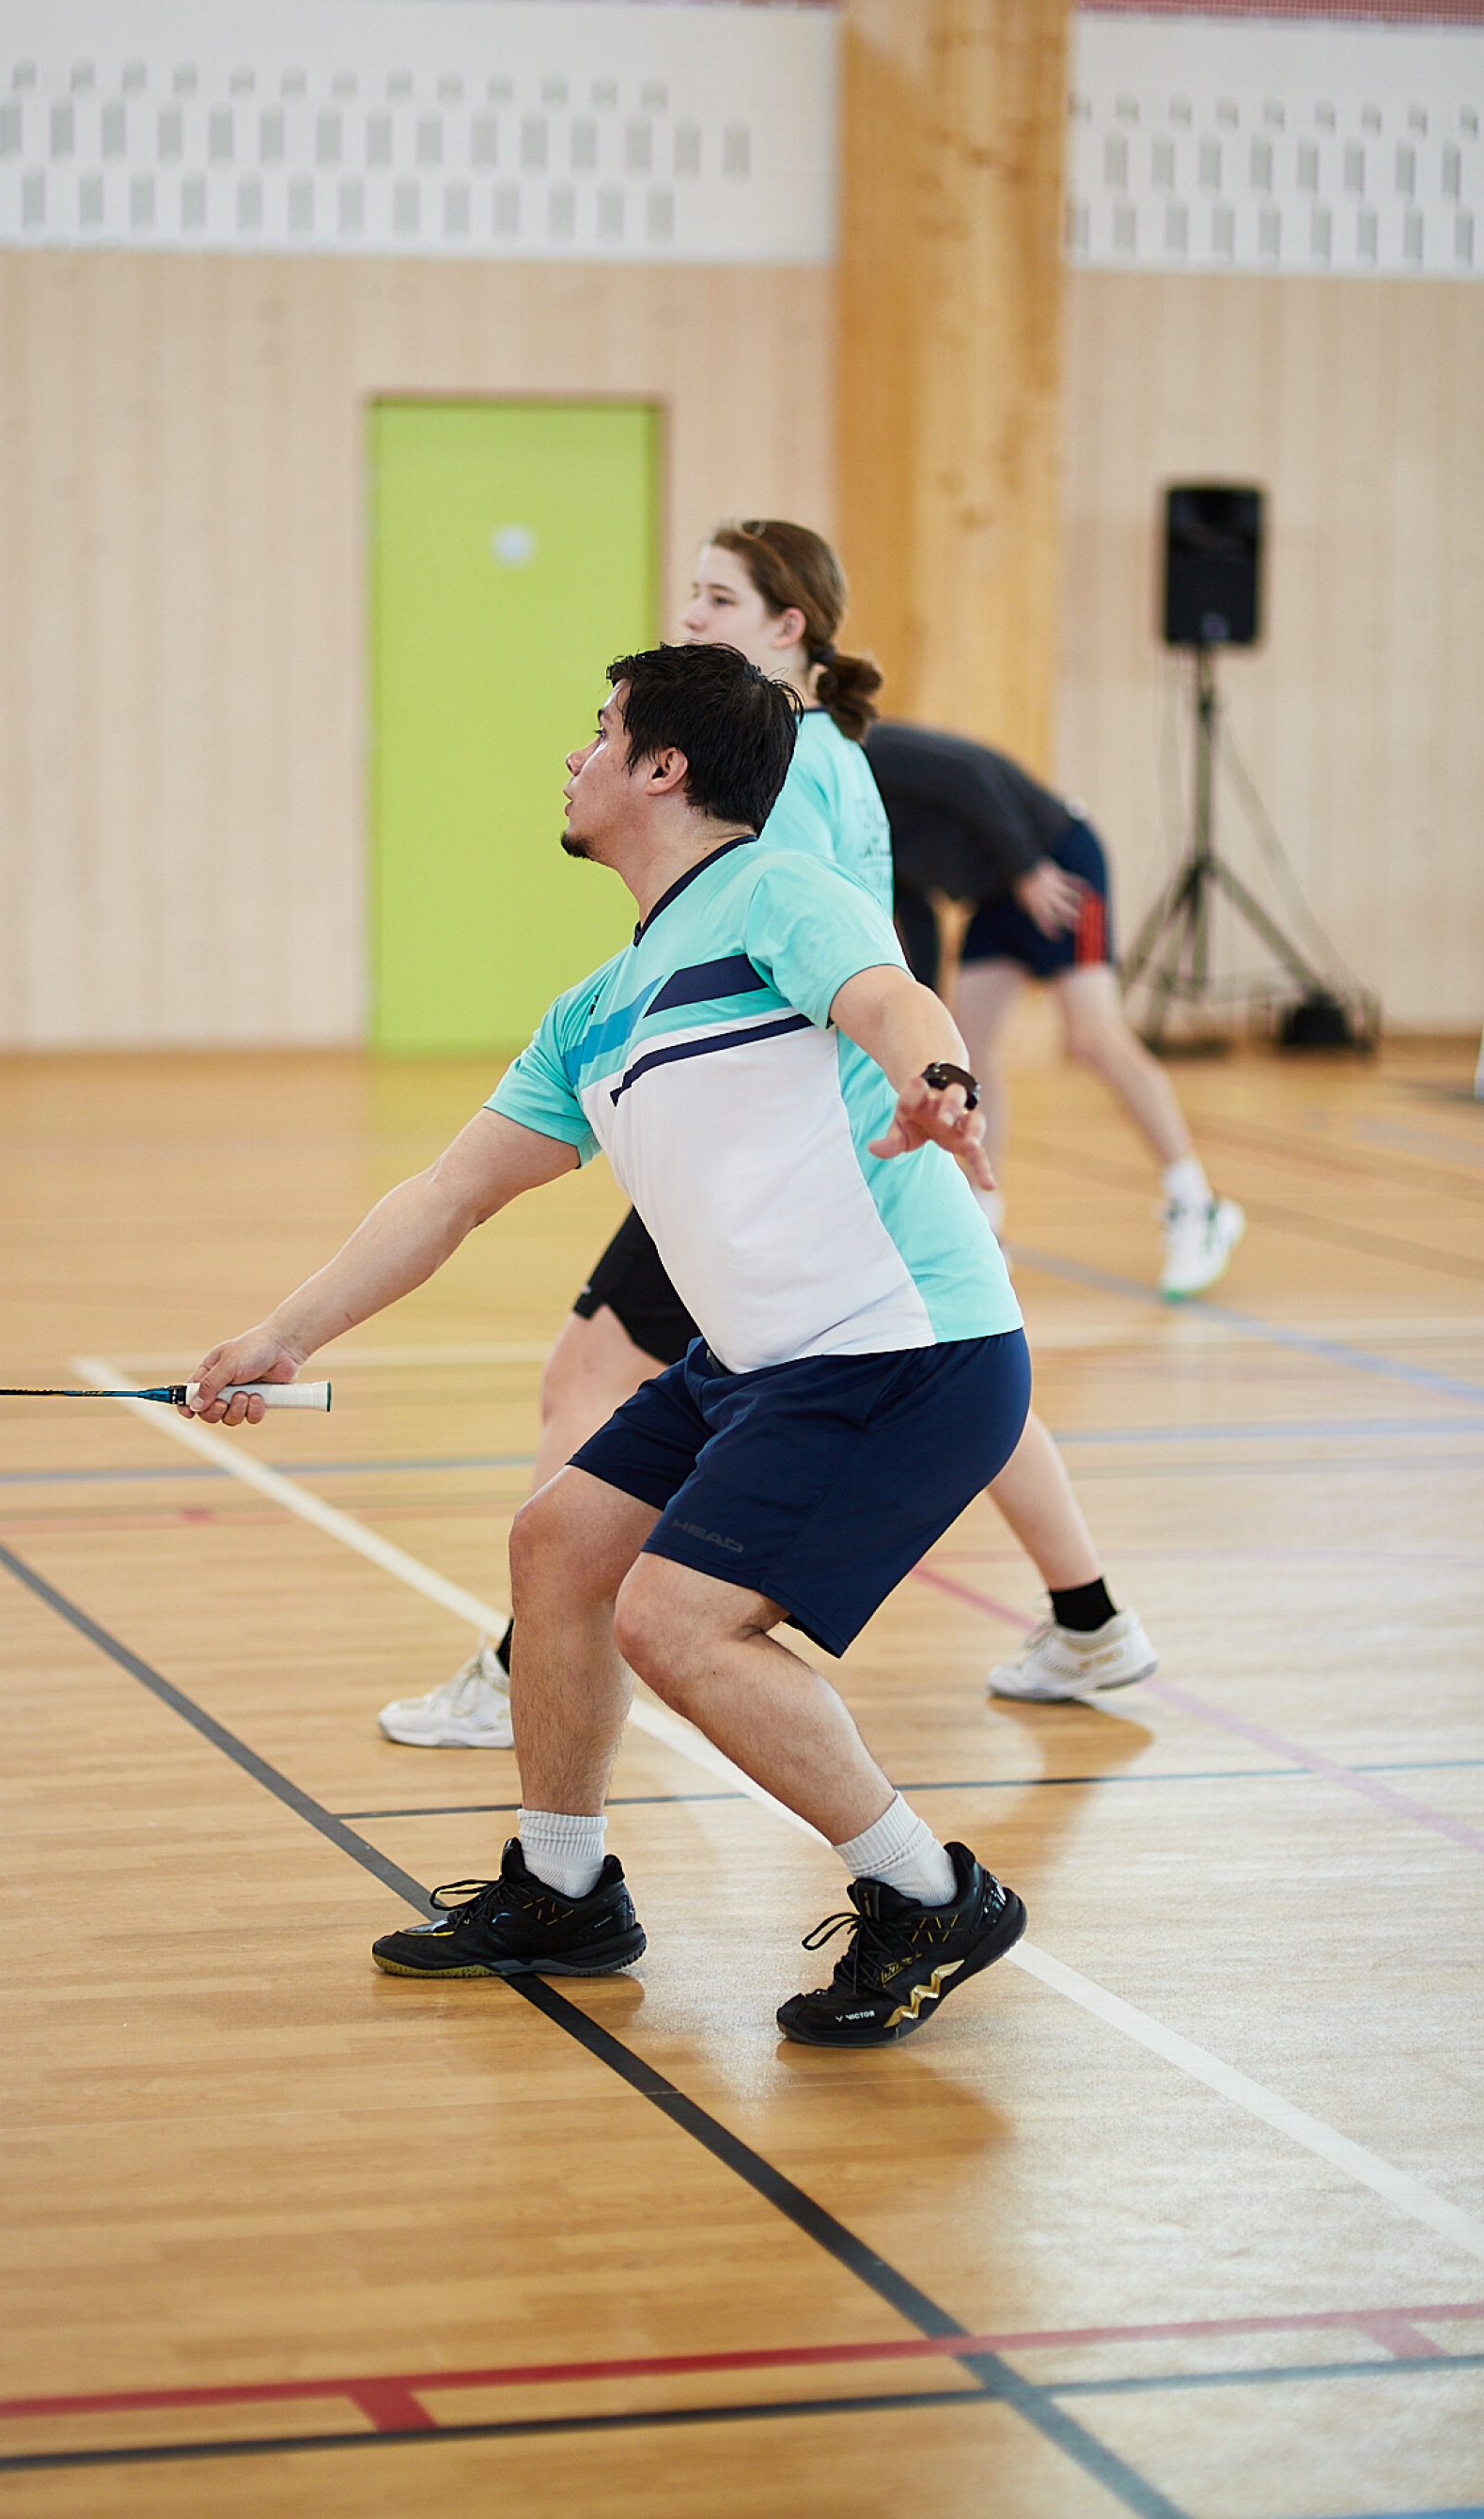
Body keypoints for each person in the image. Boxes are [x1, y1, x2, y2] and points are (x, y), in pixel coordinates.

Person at [194, 643, 1031, 2043]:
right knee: (560, 1546)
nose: (573, 757)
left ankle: (927, 1891)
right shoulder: (600, 1008)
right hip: (754, 1363)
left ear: (664, 767)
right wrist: (281, 1334)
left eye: (599, 731)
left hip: (900, 1350)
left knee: (675, 1621)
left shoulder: (777, 893)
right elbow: (448, 1196)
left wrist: (935, 1078)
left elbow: (889, 999)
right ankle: (567, 1889)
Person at [380, 523, 1155, 1748]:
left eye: (720, 598)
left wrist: (923, 1073)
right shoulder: (828, 747)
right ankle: (1091, 1613)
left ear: (790, 625)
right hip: (812, 1136)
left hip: (798, 1145)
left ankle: (534, 1655)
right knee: (955, 1357)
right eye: (691, 594)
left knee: (595, 1378)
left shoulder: (778, 778)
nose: (692, 614)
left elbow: (839, 969)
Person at [864, 721, 1244, 1301]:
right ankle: (984, 1224)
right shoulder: (847, 820)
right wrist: (923, 1000)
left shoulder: (873, 750)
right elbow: (911, 901)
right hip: (995, 896)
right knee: (966, 1049)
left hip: (1053, 862)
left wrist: (1026, 868)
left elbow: (972, 775)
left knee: (1093, 1038)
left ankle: (1197, 1204)